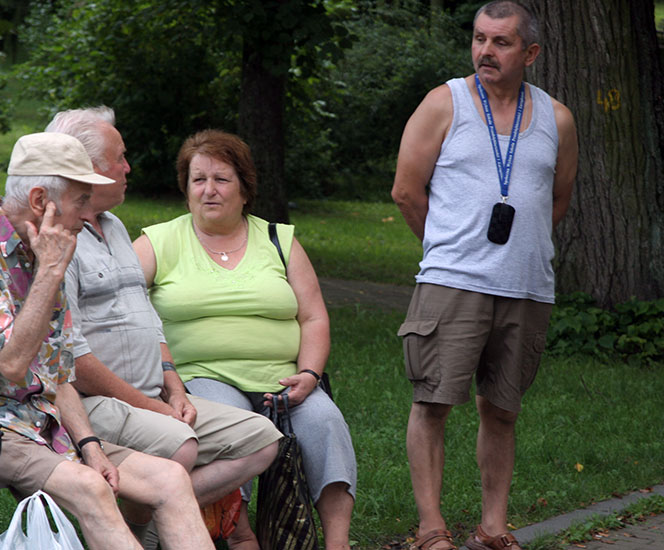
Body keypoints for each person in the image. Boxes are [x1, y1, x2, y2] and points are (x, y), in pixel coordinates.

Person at [0, 132, 214, 550]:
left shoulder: (43, 255)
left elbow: (58, 372)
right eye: (81, 200)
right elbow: (10, 367)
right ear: (39, 201)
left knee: (171, 478)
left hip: (35, 425)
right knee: (91, 488)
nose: (88, 215)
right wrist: (49, 273)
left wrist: (90, 445)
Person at [45, 107, 282, 549]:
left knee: (262, 439)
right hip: (97, 404)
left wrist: (172, 385)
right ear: (89, 168)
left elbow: (147, 317)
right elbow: (69, 358)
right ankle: (148, 529)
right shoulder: (60, 237)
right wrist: (152, 408)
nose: (128, 167)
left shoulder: (114, 227)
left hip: (153, 397)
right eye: (120, 157)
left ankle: (148, 523)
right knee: (179, 444)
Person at [391, 2, 578, 550]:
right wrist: (450, 248)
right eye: (479, 39)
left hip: (525, 288)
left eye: (500, 42)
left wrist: (517, 252)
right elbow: (406, 191)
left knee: (502, 408)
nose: (485, 52)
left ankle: (493, 528)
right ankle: (431, 529)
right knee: (433, 402)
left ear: (531, 53)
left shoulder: (557, 118)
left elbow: (557, 199)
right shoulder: (443, 103)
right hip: (453, 283)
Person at [133, 129, 357, 550]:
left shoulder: (278, 240)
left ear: (245, 189)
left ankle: (338, 544)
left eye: (222, 179)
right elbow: (119, 301)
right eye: (199, 180)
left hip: (284, 380)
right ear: (186, 189)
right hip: (204, 377)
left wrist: (309, 374)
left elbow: (313, 317)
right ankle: (239, 537)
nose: (209, 190)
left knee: (326, 424)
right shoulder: (159, 242)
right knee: (232, 428)